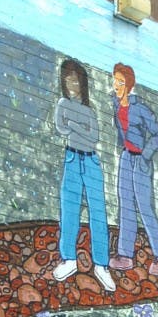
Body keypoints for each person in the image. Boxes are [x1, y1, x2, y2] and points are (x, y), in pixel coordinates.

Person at [52, 59, 115, 292]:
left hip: (91, 161)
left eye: (76, 80)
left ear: (82, 83)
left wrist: (73, 125)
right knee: (69, 209)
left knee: (98, 212)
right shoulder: (62, 104)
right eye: (68, 80)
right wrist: (78, 128)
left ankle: (101, 265)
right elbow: (61, 128)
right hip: (72, 158)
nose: (72, 85)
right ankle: (69, 259)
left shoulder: (89, 110)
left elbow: (93, 137)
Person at [109, 63, 158, 277]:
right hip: (126, 158)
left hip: (141, 161)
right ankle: (125, 256)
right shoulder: (116, 105)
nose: (116, 86)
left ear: (129, 85)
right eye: (115, 81)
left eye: (120, 82)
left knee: (144, 207)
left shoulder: (140, 108)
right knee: (125, 204)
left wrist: (145, 154)